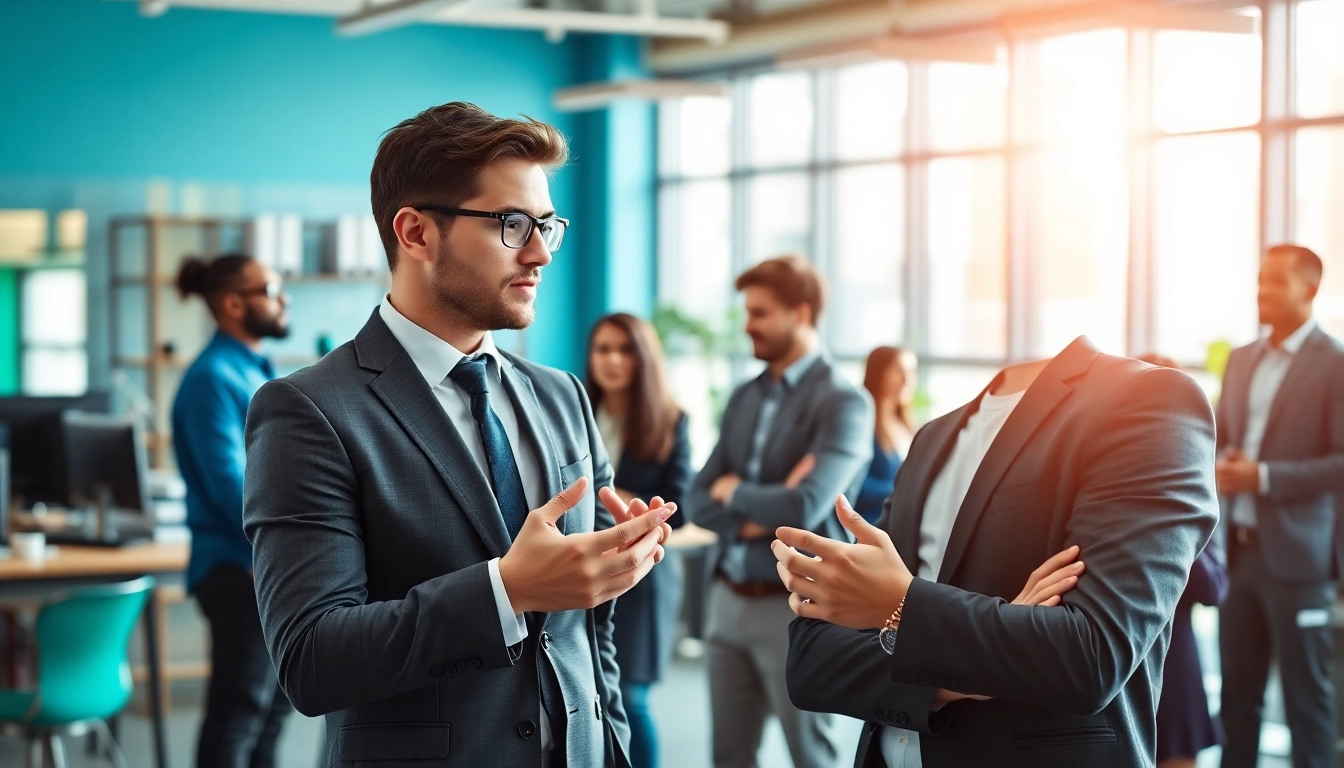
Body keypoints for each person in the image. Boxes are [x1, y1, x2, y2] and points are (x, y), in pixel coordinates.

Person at [242, 102, 676, 767]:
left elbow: (588, 634)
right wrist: (507, 589)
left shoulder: (561, 396)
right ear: (416, 233)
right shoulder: (308, 411)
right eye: (511, 225)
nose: (540, 252)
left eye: (547, 226)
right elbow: (311, 658)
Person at [777, 335, 1219, 768]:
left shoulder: (1151, 400)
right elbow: (811, 663)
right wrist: (966, 676)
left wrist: (899, 605)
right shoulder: (934, 436)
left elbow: (1089, 656)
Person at [689, 255, 875, 768]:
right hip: (725, 600)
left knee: (811, 757)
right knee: (728, 756)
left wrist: (735, 490)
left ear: (802, 312)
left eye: (760, 313)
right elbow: (698, 497)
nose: (747, 325)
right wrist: (753, 505)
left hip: (796, 607)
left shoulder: (844, 403)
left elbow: (804, 504)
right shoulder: (745, 396)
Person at [1216, 245, 1344, 768]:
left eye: (1274, 283)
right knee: (1236, 701)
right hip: (1237, 557)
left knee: (1306, 702)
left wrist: (1262, 477)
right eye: (1259, 281)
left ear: (1308, 290)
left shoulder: (1334, 363)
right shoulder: (1242, 358)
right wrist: (1224, 461)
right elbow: (1222, 433)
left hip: (1299, 563)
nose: (1261, 292)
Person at [170, 253, 293, 768]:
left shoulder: (255, 369)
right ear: (233, 302)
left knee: (272, 713)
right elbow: (233, 488)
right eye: (270, 289)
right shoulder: (212, 379)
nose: (283, 299)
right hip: (238, 571)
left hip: (268, 570)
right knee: (239, 713)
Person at [585, 313, 692, 768]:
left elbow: (680, 509)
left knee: (631, 697)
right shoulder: (574, 408)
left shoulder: (670, 420)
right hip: (582, 569)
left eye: (624, 350)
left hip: (644, 576)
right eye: (603, 349)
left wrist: (604, 494)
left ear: (644, 358)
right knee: (583, 692)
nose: (612, 360)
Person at [1137, 353, 1230, 768]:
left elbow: (1215, 586)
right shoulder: (1096, 481)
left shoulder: (1195, 484)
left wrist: (1170, 539)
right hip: (1114, 663)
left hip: (1176, 663)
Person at [856, 347, 918, 524]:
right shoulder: (863, 424)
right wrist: (910, 491)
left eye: (912, 371)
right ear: (879, 373)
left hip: (903, 525)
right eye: (899, 370)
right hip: (873, 525)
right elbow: (857, 487)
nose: (907, 380)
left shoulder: (908, 425)